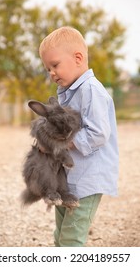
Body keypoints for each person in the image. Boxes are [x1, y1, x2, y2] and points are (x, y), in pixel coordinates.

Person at [39, 26, 119, 247]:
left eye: (54, 65)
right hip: (68, 179)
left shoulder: (91, 90)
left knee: (71, 238)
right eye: (47, 69)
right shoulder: (69, 91)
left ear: (78, 58)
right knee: (61, 232)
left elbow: (99, 133)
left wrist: (61, 143)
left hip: (88, 180)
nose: (51, 73)